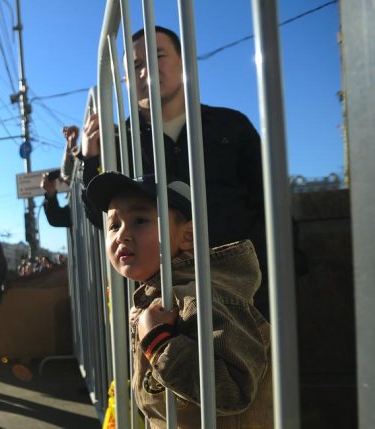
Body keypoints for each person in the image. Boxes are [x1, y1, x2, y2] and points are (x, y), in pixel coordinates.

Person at [81, 26, 269, 317]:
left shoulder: (230, 125)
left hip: (245, 294)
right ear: (125, 80)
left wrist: (288, 265)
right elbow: (105, 219)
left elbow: (267, 199)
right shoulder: (118, 142)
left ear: (184, 63)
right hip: (164, 305)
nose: (147, 71)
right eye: (135, 66)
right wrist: (89, 160)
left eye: (158, 57)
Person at [86, 171, 272, 428]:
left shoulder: (202, 298)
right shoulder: (161, 295)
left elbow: (234, 391)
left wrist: (159, 342)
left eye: (140, 220)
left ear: (187, 236)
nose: (122, 235)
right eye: (114, 225)